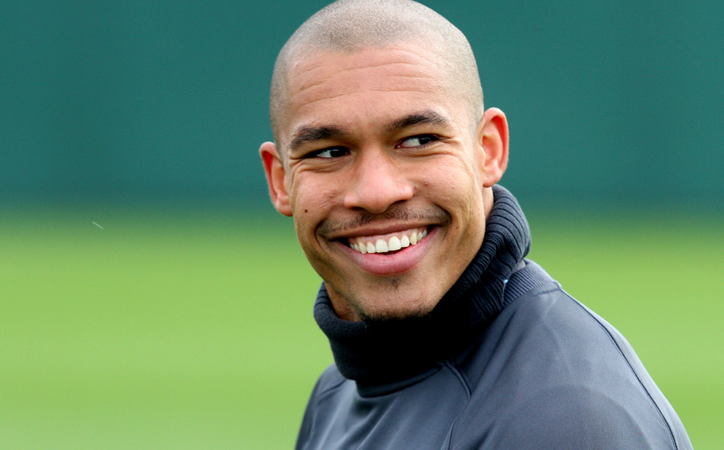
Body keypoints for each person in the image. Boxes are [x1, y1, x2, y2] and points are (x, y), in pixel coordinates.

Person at [258, 0, 692, 448]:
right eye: (329, 152)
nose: (376, 192)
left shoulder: (563, 418)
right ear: (280, 181)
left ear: (488, 150)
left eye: (419, 140)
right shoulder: (338, 392)